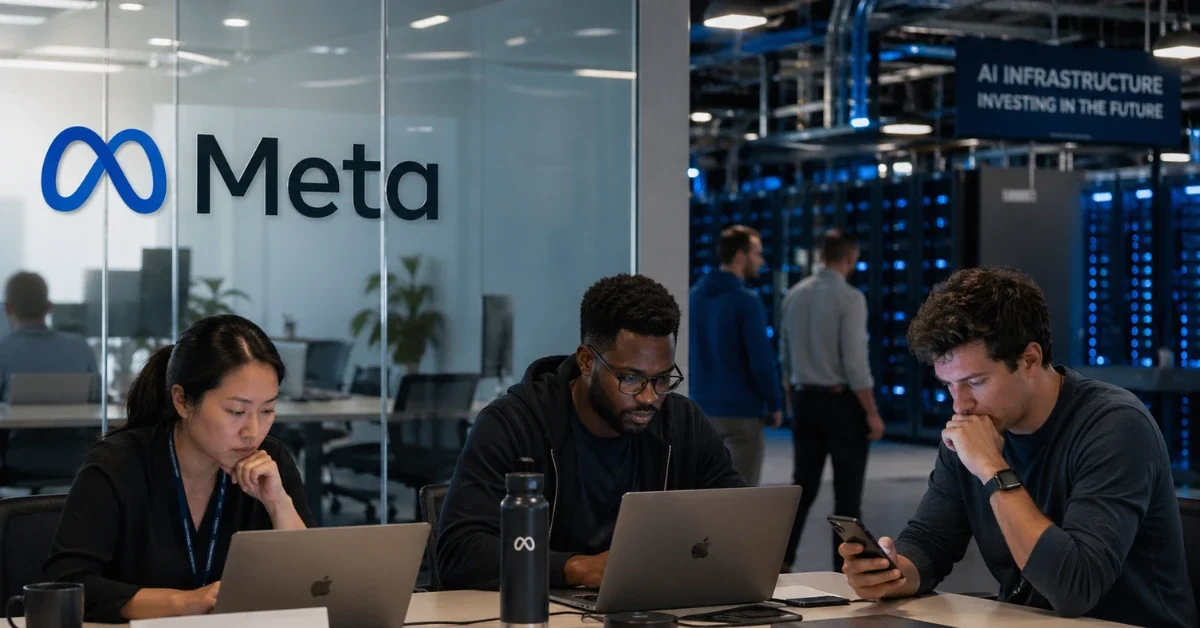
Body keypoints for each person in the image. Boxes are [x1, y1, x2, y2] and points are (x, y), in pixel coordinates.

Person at [839, 267, 1197, 627]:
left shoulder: (1116, 426)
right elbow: (930, 542)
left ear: (1029, 360)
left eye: (975, 382)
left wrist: (993, 470)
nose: (959, 405)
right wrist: (893, 573)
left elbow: (1075, 588)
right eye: (948, 386)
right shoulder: (975, 425)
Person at [437, 273, 745, 591]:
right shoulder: (513, 425)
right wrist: (578, 569)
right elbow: (460, 553)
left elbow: (740, 524)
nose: (650, 397)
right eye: (631, 378)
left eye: (662, 379)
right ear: (586, 362)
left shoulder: (683, 424)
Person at [44, 314, 313, 623]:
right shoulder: (119, 464)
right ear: (182, 401)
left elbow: (315, 587)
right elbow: (67, 585)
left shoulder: (270, 462)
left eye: (267, 410)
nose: (252, 431)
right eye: (236, 411)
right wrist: (183, 603)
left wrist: (279, 504)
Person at [778, 229, 884, 572]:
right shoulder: (850, 298)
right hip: (842, 405)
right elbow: (855, 363)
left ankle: (779, 563)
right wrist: (871, 413)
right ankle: (846, 573)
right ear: (850, 258)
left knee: (801, 491)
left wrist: (794, 402)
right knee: (847, 499)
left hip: (806, 403)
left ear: (821, 257)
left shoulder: (793, 296)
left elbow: (786, 357)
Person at [689, 225, 784, 486]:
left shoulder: (695, 296)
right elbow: (761, 361)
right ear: (740, 256)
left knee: (706, 489)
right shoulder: (747, 300)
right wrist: (774, 402)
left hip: (702, 409)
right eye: (757, 253)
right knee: (741, 494)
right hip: (741, 412)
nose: (761, 261)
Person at [0, 271, 98, 402]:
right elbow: (98, 400)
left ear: (7, 309)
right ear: (49, 307)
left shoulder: (3, 350)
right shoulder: (81, 347)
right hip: (75, 423)